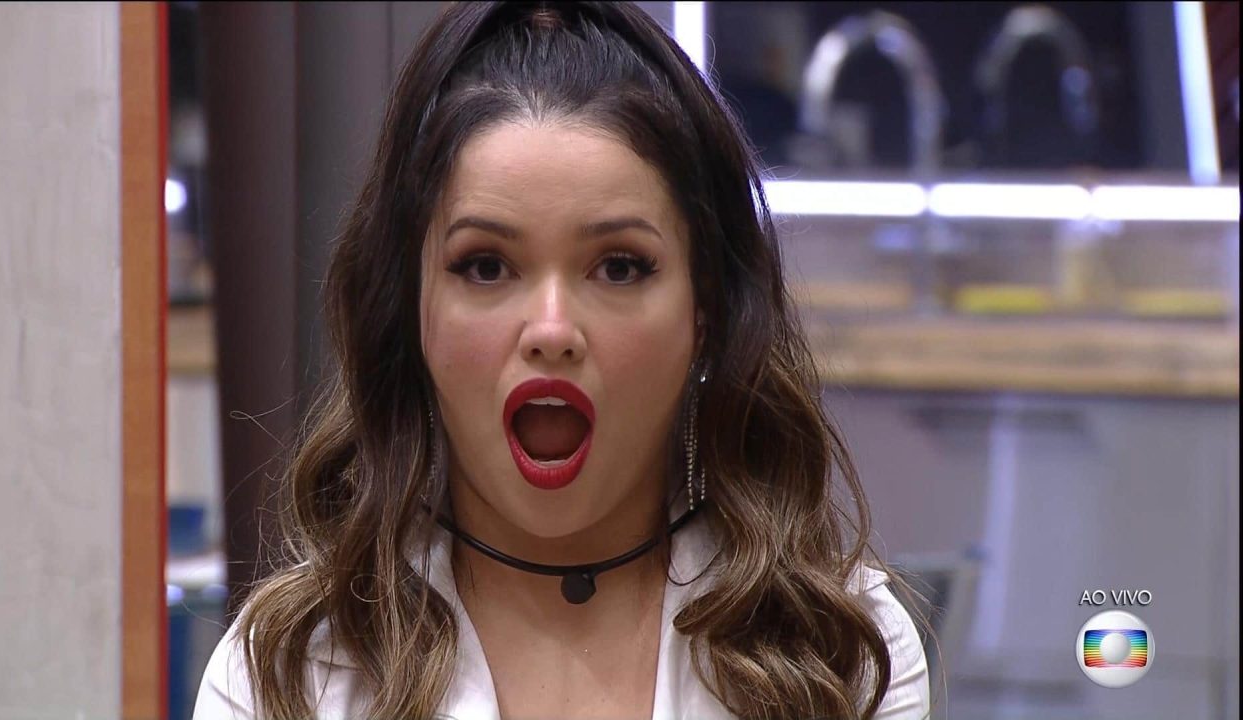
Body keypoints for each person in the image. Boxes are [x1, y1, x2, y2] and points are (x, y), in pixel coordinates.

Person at [193, 2, 930, 718]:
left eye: (619, 267)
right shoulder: (283, 676)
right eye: (486, 267)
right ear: (409, 308)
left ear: (705, 310)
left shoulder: (841, 657)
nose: (551, 330)